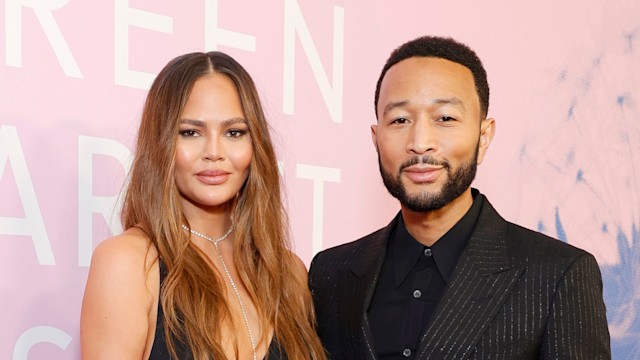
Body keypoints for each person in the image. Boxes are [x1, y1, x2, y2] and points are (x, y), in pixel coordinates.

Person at [308, 36, 611, 359]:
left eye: (445, 118)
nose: (420, 142)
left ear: (484, 137)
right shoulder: (331, 273)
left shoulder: (556, 275)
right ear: (376, 138)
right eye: (400, 120)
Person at [81, 51, 327, 360]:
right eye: (190, 132)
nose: (214, 151)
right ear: (161, 143)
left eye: (233, 132)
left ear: (255, 145)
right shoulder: (129, 263)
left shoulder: (289, 273)